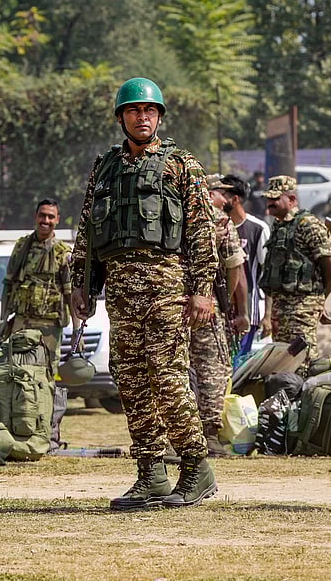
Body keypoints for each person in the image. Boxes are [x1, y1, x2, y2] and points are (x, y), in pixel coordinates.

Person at [70, 77, 219, 511]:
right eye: (134, 111)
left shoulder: (182, 165)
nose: (142, 117)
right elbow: (89, 231)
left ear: (159, 117)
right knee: (131, 382)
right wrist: (82, 285)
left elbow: (202, 234)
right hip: (119, 291)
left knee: (169, 378)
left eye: (149, 111)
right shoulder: (106, 168)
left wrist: (202, 290)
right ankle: (151, 473)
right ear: (121, 118)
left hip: (166, 287)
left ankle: (195, 467)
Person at [0, 198, 75, 447]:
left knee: (46, 379)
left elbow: (70, 293)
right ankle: (17, 429)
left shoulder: (63, 253)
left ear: (57, 220)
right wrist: (3, 321)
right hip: (22, 322)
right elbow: (8, 284)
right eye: (42, 215)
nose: (46, 221)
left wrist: (77, 330)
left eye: (51, 217)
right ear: (35, 216)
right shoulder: (22, 247)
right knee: (16, 374)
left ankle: (47, 434)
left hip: (49, 327)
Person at [260, 176, 331, 374]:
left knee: (303, 361)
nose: (270, 203)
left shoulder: (308, 225)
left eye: (275, 199)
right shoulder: (279, 226)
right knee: (283, 363)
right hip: (281, 309)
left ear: (292, 199)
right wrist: (268, 315)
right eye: (268, 198)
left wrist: (319, 302)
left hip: (302, 308)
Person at [197, 175, 248, 455]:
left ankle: (174, 434)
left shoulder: (172, 213)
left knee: (174, 368)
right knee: (212, 369)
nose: (225, 199)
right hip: (208, 306)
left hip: (172, 305)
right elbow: (233, 265)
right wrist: (224, 300)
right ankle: (210, 434)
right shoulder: (219, 220)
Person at [221, 174, 271, 335]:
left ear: (235, 200)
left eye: (223, 195)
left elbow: (268, 274)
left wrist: (268, 316)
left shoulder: (257, 229)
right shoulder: (217, 228)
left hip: (253, 313)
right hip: (225, 314)